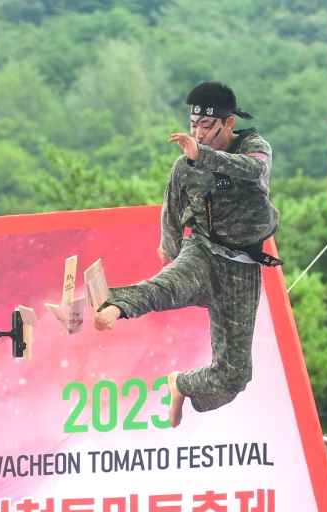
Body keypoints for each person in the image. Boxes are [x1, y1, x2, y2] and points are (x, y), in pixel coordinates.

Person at [94, 81, 279, 427]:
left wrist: (203, 154)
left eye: (206, 127)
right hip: (204, 253)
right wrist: (174, 254)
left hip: (241, 269)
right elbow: (171, 210)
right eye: (194, 125)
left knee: (234, 377)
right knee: (165, 288)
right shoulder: (186, 167)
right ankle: (108, 304)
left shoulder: (254, 147)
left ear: (228, 124)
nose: (198, 134)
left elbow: (255, 172)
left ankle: (180, 384)